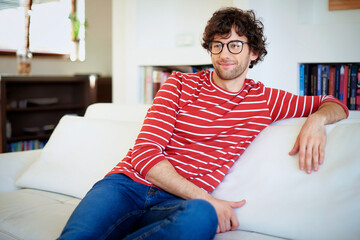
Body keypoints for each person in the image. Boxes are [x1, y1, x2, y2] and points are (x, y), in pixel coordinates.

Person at [58, 7, 348, 240]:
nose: (224, 54)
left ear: (254, 52)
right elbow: (145, 155)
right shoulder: (179, 84)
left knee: (202, 217)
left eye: (235, 45)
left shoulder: (265, 100)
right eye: (217, 45)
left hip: (177, 205)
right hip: (125, 187)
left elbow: (335, 103)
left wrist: (316, 121)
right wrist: (207, 198)